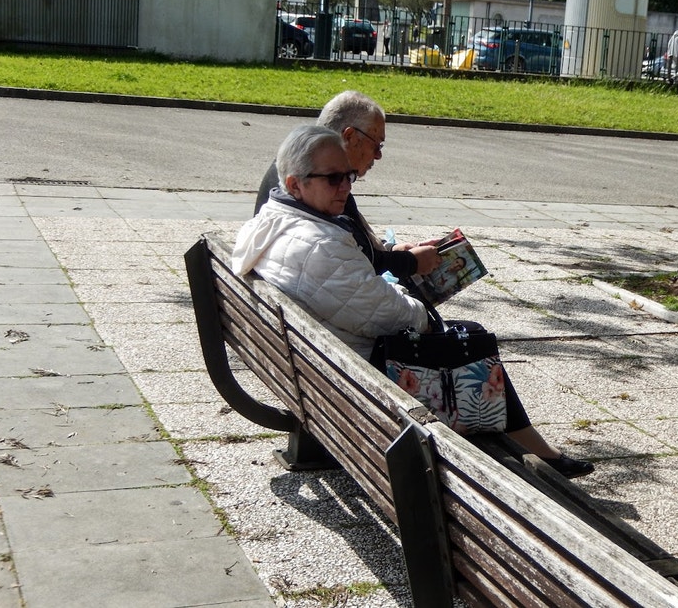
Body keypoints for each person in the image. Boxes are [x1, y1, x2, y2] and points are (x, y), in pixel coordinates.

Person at [233, 125, 594, 479]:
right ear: (296, 184)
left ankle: (531, 445)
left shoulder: (273, 220)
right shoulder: (319, 243)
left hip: (319, 364)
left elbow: (356, 296)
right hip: (361, 371)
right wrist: (422, 311)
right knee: (473, 340)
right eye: (333, 179)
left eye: (348, 176)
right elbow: (390, 317)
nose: (345, 186)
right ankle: (536, 450)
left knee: (462, 337)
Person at [254, 91, 440, 280]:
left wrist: (392, 250)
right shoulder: (314, 181)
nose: (378, 155)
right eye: (377, 145)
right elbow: (349, 263)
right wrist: (409, 262)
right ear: (350, 136)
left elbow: (355, 246)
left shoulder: (301, 165)